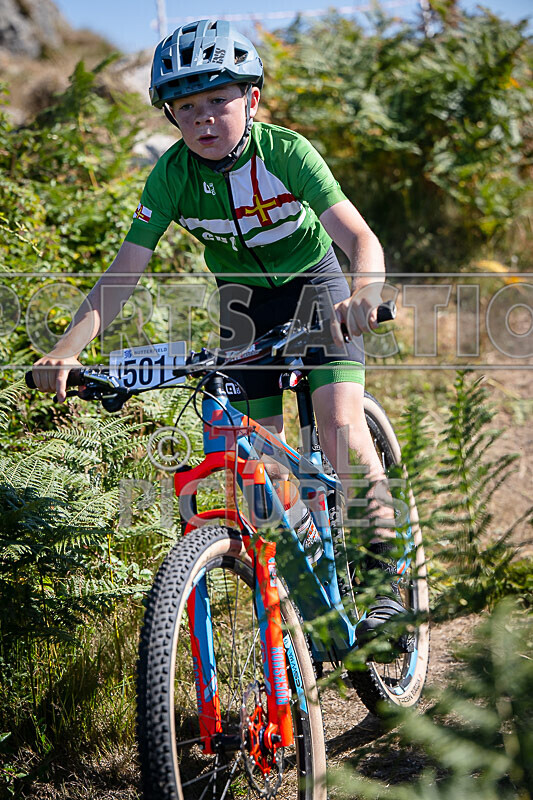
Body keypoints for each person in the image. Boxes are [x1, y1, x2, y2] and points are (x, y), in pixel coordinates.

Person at [31, 19, 405, 651]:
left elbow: (360, 238)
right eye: (186, 106)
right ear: (172, 117)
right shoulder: (171, 176)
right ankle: (307, 581)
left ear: (251, 99)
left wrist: (365, 293)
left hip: (318, 287)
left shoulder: (285, 152)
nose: (203, 117)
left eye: (217, 100)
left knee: (339, 425)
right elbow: (122, 275)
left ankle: (385, 580)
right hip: (244, 305)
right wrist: (67, 350)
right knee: (254, 461)